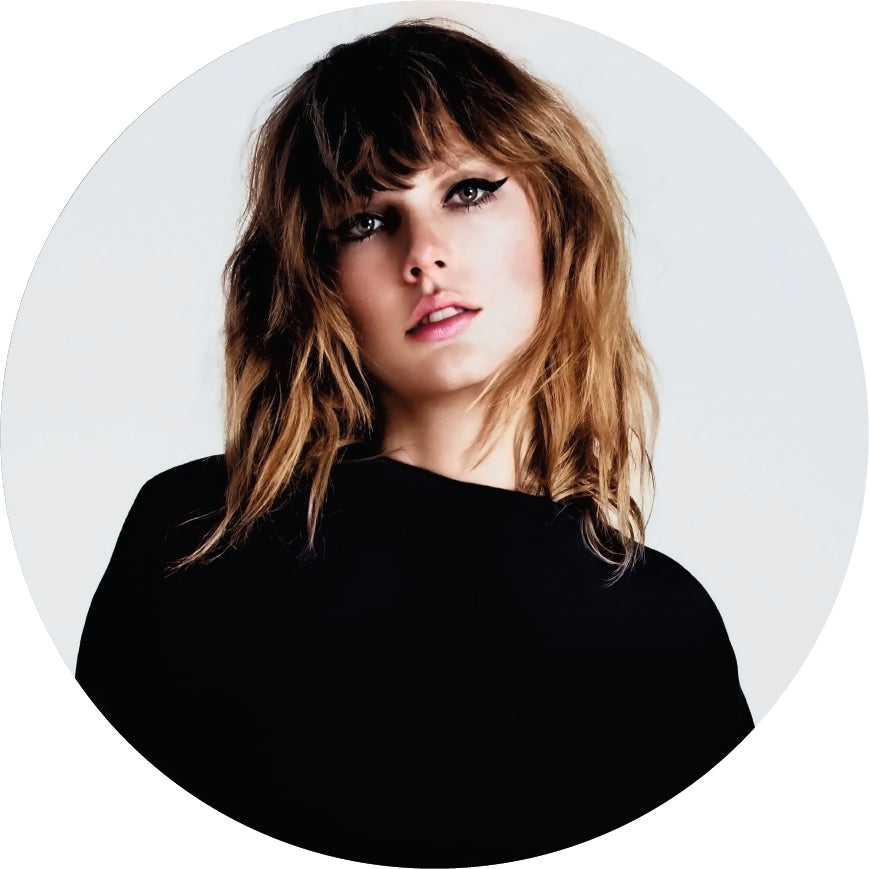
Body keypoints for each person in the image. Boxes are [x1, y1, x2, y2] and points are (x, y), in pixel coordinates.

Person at [76, 20, 753, 867]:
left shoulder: (660, 624)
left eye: (467, 190)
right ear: (314, 279)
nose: (424, 256)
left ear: (556, 218)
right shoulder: (197, 534)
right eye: (365, 220)